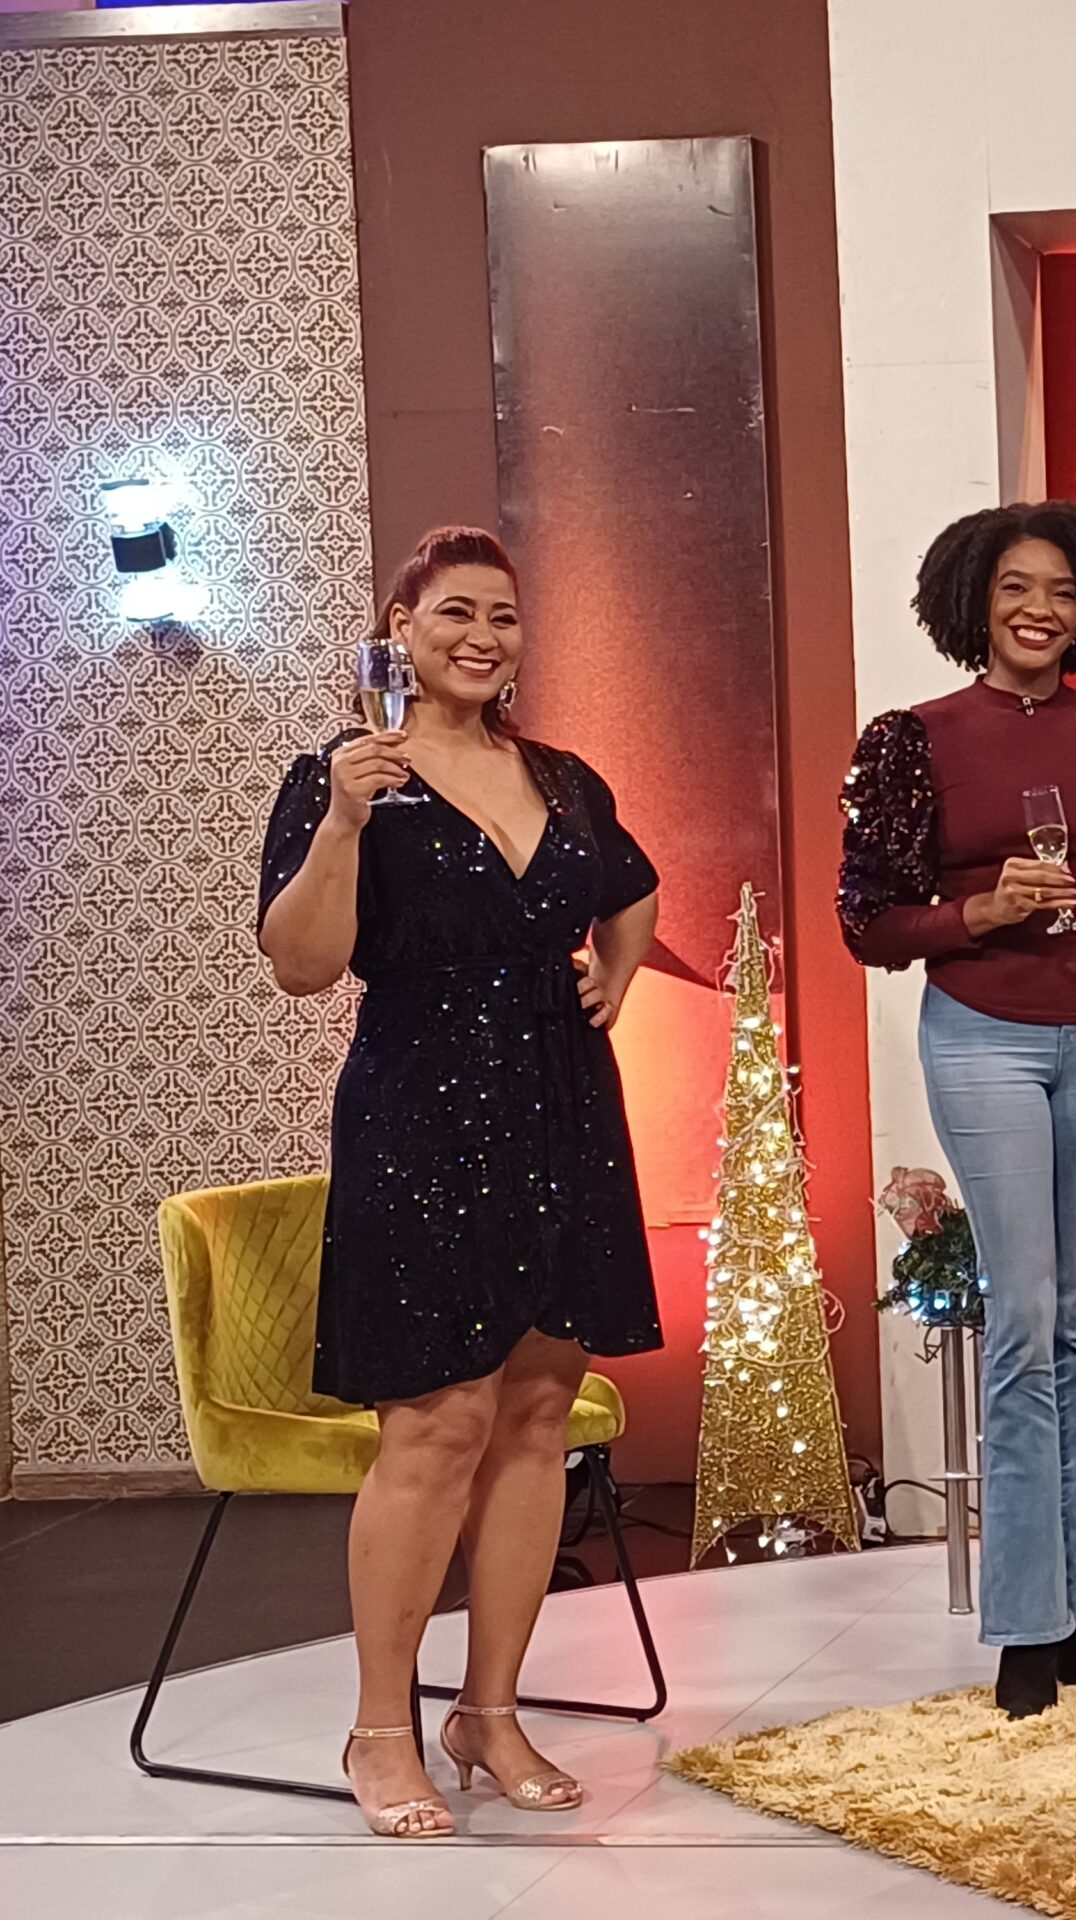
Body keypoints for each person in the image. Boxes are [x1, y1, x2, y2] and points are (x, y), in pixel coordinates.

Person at [258, 527, 664, 1838]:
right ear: (400, 629)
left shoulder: (564, 776)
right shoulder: (342, 776)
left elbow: (633, 891)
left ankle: (488, 1712)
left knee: (538, 1416)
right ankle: (379, 1730)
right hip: (420, 1113)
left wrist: (619, 973)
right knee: (435, 1427)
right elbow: (301, 965)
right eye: (456, 614)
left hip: (563, 1106)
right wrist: (343, 818)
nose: (484, 637)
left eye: (503, 616)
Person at [839, 500, 1076, 1719]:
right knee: (1024, 1321)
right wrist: (975, 916)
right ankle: (1025, 1626)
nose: (1039, 610)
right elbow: (868, 921)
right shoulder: (912, 742)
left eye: (1060, 592)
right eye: (1015, 589)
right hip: (982, 1036)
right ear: (973, 603)